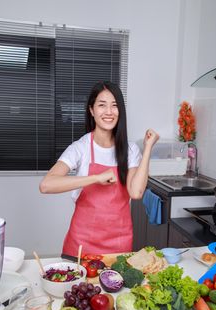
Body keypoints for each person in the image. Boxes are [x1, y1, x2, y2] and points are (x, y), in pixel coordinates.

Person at [39, 81, 159, 258]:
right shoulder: (81, 147)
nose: (109, 112)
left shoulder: (131, 149)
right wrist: (95, 178)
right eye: (102, 105)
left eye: (114, 105)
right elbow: (46, 185)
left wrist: (148, 147)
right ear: (92, 110)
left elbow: (136, 192)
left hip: (119, 244)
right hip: (81, 245)